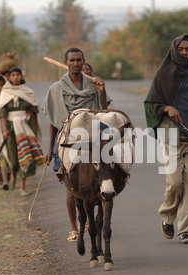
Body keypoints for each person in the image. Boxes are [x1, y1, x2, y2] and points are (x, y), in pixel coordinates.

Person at [144, 35, 188, 244]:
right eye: (180, 49)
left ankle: (185, 230)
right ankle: (167, 216)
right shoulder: (163, 75)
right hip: (170, 135)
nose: (184, 53)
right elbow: (150, 103)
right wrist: (167, 108)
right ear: (174, 50)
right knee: (174, 183)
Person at [41, 47, 111, 242]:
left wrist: (102, 91)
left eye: (78, 60)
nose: (75, 63)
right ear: (66, 63)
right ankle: (74, 227)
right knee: (71, 183)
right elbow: (54, 120)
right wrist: (50, 148)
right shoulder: (56, 89)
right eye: (71, 60)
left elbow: (103, 110)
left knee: (108, 164)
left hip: (92, 133)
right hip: (68, 137)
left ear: (83, 61)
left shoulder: (93, 85)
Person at [0, 67, 44, 196]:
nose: (16, 77)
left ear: (21, 76)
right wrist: (5, 130)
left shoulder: (27, 91)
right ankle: (13, 177)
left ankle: (22, 187)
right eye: (13, 75)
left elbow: (34, 109)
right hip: (11, 128)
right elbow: (2, 113)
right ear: (9, 77)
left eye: (18, 74)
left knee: (24, 155)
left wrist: (33, 124)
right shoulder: (5, 92)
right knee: (13, 156)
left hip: (26, 126)